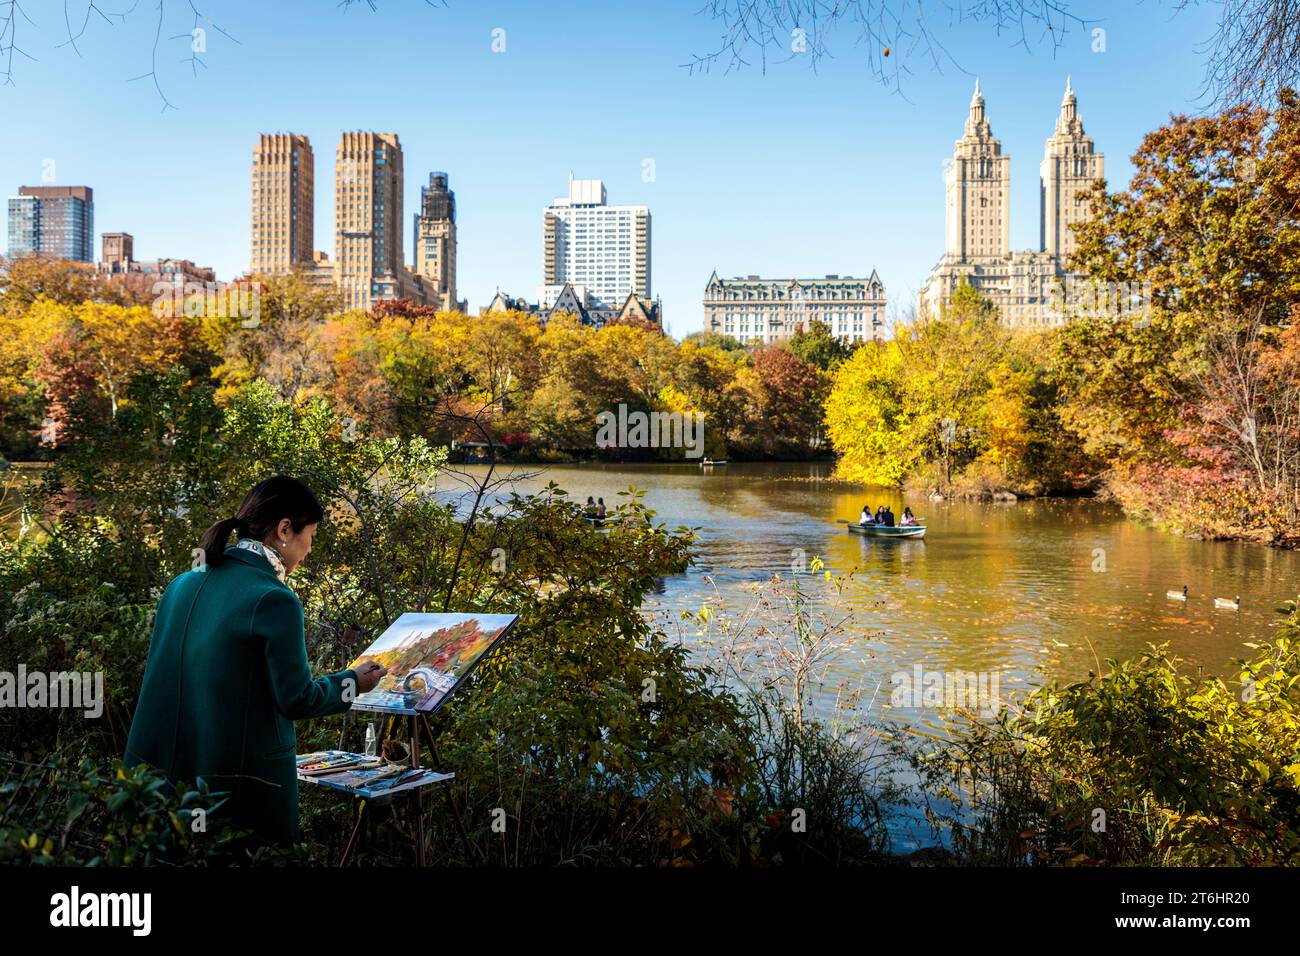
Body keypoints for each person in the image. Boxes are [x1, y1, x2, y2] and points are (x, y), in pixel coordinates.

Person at [124, 475, 387, 848]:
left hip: (161, 779)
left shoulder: (182, 584)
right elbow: (296, 698)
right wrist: (353, 682)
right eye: (310, 535)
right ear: (284, 529)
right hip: (235, 787)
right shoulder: (273, 599)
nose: (310, 549)